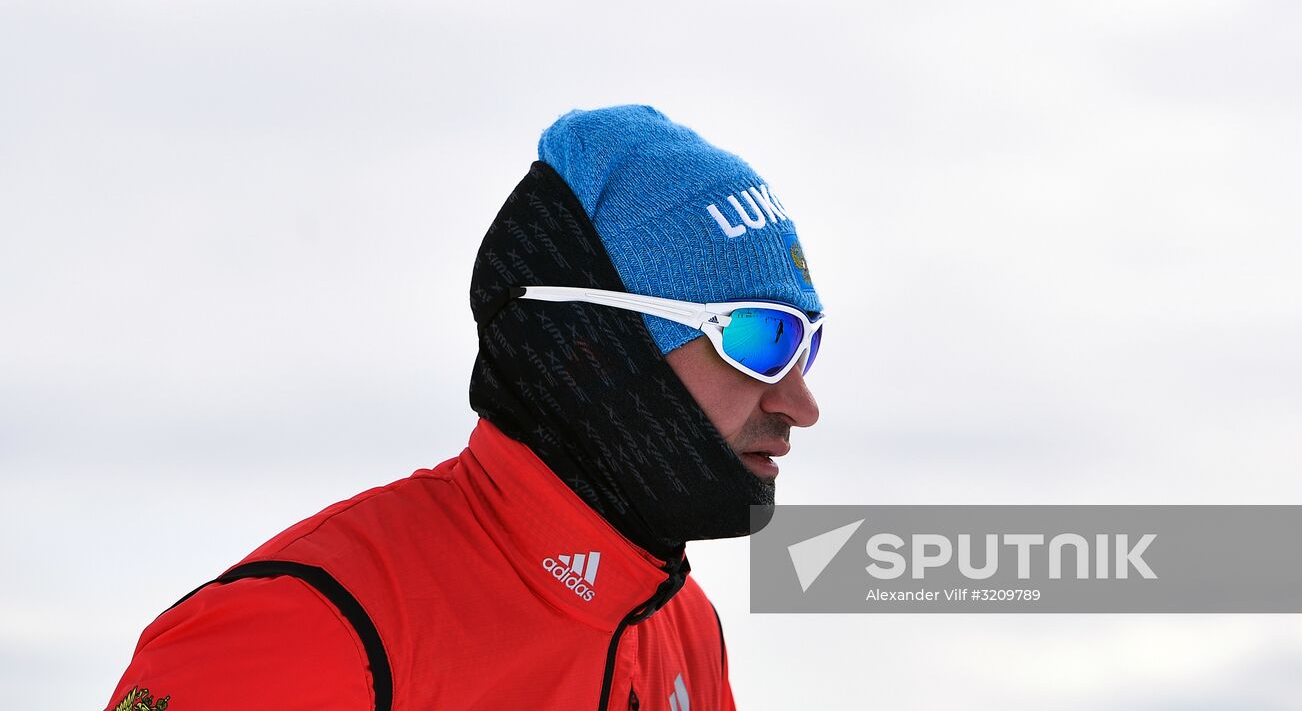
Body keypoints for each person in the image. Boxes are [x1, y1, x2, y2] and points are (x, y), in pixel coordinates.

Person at [105, 105, 825, 711]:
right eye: (763, 338)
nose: (800, 402)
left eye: (808, 346)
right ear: (594, 345)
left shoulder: (683, 628)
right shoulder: (302, 629)